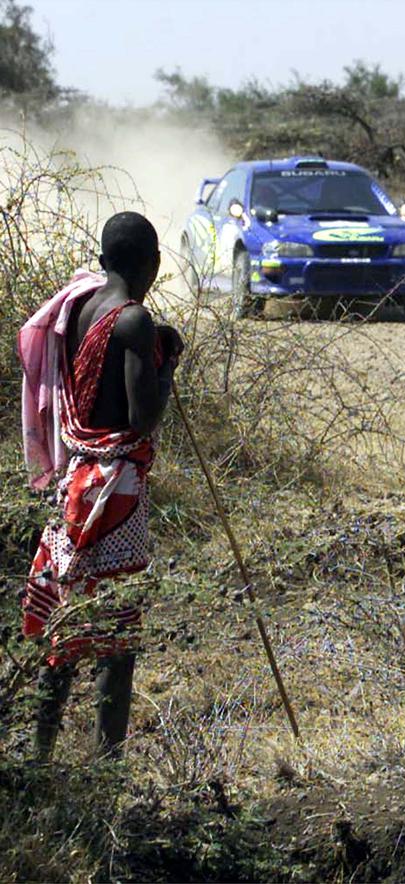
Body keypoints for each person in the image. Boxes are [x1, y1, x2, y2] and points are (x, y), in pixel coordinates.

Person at [17, 211, 183, 761]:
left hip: (73, 485)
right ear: (152, 264)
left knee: (65, 628)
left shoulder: (78, 306)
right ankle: (107, 764)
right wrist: (168, 364)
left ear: (104, 258)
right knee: (117, 633)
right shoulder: (133, 320)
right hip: (115, 492)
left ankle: (40, 754)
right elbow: (142, 419)